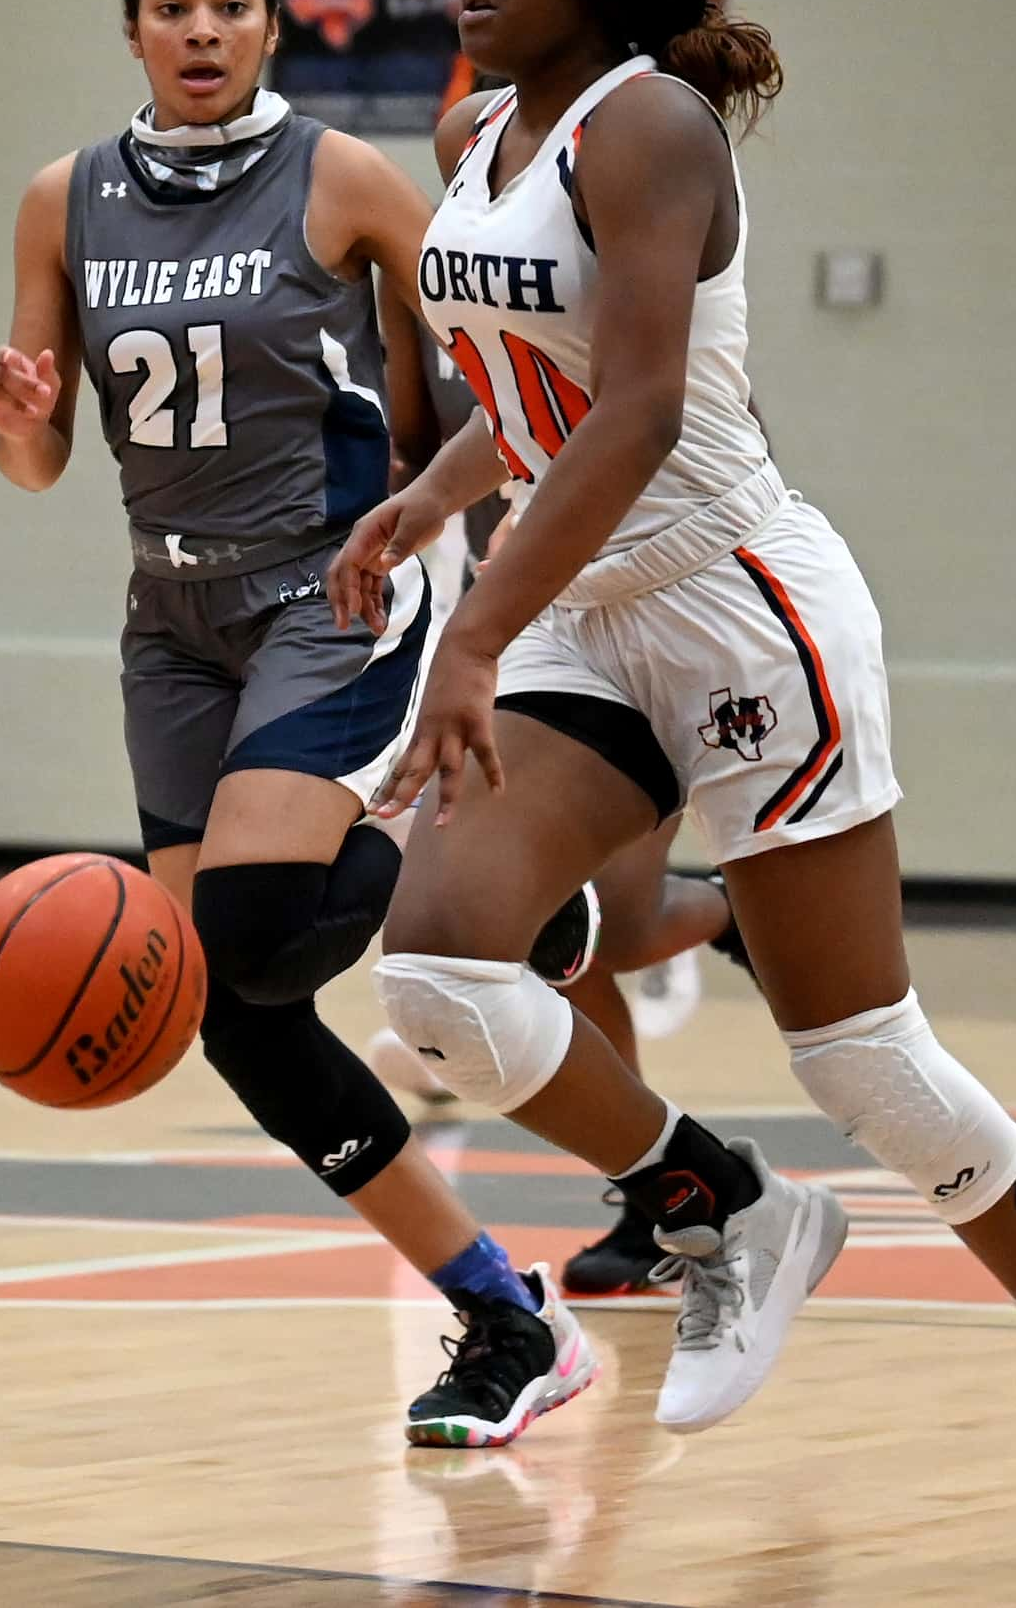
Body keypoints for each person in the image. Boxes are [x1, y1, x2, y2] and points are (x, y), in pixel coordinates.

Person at [328, 0, 1016, 1569]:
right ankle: (711, 1198)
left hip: (739, 616)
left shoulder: (647, 122)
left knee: (861, 1056)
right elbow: (534, 392)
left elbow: (642, 405)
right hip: (585, 611)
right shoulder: (468, 131)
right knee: (432, 968)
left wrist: (475, 625)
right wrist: (432, 498)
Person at [0, 0, 597, 1449]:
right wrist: (15, 413)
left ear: (271, 26)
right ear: (132, 29)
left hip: (338, 581)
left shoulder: (345, 177)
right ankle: (506, 1312)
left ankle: (475, 857)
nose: (199, 28)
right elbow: (42, 459)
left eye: (229, 3)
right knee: (234, 1009)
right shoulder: (64, 200)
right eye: (171, 4)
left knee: (249, 924)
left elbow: (453, 390)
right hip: (169, 620)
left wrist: (480, 581)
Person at [369, 293, 755, 1297]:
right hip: (499, 633)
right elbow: (433, 454)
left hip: (636, 627)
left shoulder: (620, 291)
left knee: (614, 930)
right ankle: (650, 1194)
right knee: (556, 939)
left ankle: (729, 907)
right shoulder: (433, 296)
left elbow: (698, 446)